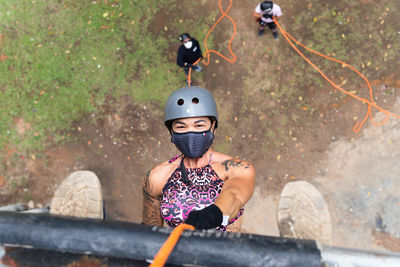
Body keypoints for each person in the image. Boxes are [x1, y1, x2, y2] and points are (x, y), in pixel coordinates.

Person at [142, 86, 255, 231]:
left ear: (213, 126)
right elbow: (150, 233)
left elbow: (235, 195)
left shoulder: (237, 169)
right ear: (171, 131)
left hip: (225, 252)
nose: (191, 133)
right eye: (181, 127)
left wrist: (213, 215)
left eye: (199, 125)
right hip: (177, 251)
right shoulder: (156, 178)